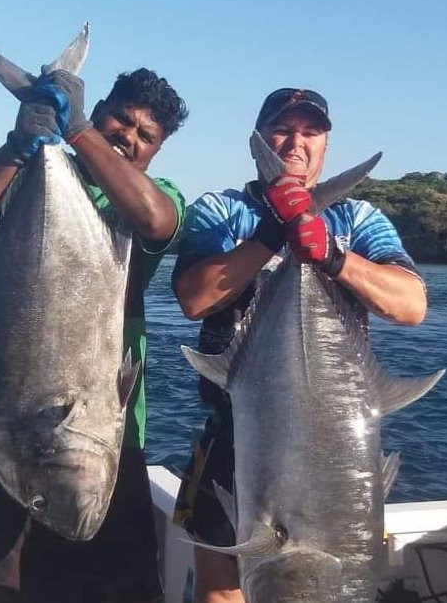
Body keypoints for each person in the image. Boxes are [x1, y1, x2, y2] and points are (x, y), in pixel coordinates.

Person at [0, 67, 188, 603]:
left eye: (147, 137)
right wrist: (19, 145)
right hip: (4, 444)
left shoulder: (150, 196)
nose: (129, 137)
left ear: (156, 153)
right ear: (99, 110)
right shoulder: (25, 173)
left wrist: (77, 133)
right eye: (121, 119)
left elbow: (156, 220)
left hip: (102, 450)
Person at [171, 88, 427, 603]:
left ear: (325, 143)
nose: (296, 141)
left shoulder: (357, 219)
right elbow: (195, 299)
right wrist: (273, 231)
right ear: (260, 138)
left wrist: (330, 253)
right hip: (235, 430)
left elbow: (410, 306)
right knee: (221, 592)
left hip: (336, 440)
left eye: (310, 131)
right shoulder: (221, 211)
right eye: (283, 129)